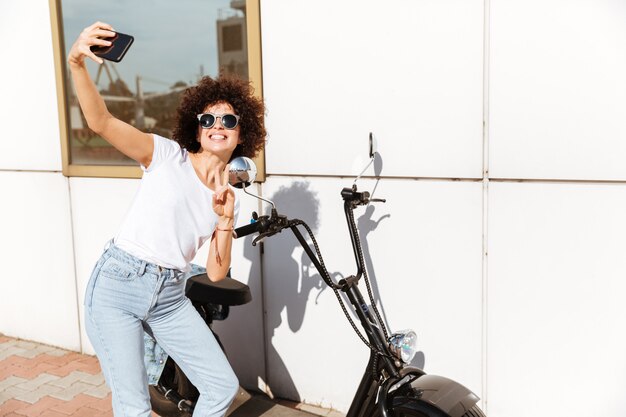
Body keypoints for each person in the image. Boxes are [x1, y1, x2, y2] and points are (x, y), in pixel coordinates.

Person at [68, 22, 266, 417]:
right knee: (134, 406)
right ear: (197, 127)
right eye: (208, 119)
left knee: (222, 387)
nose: (216, 127)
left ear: (242, 131)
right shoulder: (166, 155)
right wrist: (76, 63)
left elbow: (213, 274)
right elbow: (101, 123)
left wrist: (225, 220)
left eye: (228, 121)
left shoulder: (227, 194)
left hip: (171, 297)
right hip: (119, 286)